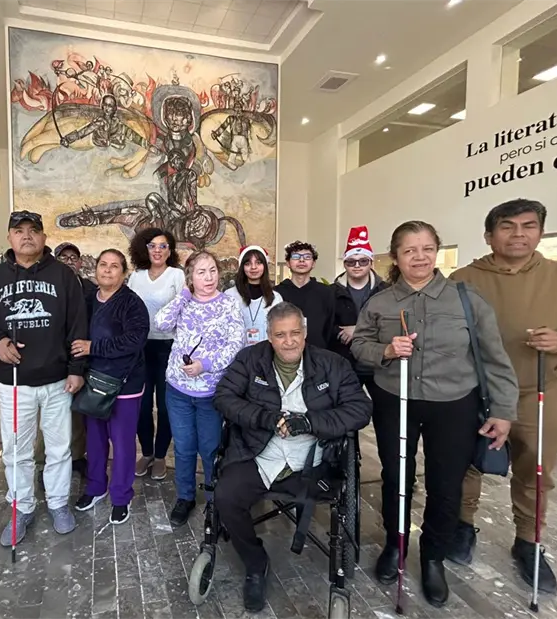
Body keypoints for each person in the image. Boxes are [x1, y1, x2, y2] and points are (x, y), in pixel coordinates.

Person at [351, 220, 519, 608]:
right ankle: (395, 544)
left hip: (454, 402)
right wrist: (387, 351)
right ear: (396, 257)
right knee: (396, 476)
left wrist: (505, 411)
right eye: (410, 250)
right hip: (396, 398)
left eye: (427, 248)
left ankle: (432, 557)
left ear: (437, 251)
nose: (419, 257)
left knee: (446, 483)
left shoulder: (466, 298)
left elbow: (495, 358)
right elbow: (359, 345)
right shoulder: (380, 302)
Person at [447, 199, 557, 594]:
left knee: (536, 472)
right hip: (476, 393)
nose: (519, 234)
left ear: (541, 232)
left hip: (538, 392)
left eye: (529, 226)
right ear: (489, 235)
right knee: (466, 466)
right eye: (508, 227)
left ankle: (528, 541)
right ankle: (462, 526)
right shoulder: (463, 279)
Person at [214, 302, 372, 612]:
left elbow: (360, 409)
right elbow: (224, 397)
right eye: (281, 335)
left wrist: (311, 422)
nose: (289, 341)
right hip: (261, 453)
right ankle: (256, 563)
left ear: (305, 333)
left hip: (314, 461)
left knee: (329, 489)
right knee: (225, 496)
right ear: (269, 337)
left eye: (295, 333)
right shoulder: (250, 360)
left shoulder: (333, 364)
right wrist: (265, 417)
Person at [0, 210, 87, 541]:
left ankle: (59, 503)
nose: (27, 236)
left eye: (34, 230)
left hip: (58, 380)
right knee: (17, 449)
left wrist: (76, 370)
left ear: (45, 238)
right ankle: (22, 506)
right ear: (9, 238)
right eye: (19, 231)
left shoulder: (64, 276)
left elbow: (78, 326)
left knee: (60, 448)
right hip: (15, 383)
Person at [154, 250, 244, 527]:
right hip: (178, 390)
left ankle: (215, 498)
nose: (209, 277)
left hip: (210, 394)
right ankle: (185, 497)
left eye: (213, 270)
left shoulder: (228, 304)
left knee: (210, 448)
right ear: (190, 276)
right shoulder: (184, 301)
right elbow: (160, 323)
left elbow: (236, 344)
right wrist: (183, 295)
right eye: (201, 272)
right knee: (183, 448)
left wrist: (205, 364)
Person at [72, 249, 149, 525]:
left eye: (114, 266)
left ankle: (121, 496)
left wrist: (95, 347)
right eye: (103, 265)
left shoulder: (131, 304)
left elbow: (134, 341)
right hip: (93, 382)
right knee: (94, 440)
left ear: (123, 272)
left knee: (123, 443)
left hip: (125, 384)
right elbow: (76, 334)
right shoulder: (87, 300)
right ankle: (95, 487)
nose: (107, 270)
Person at [127, 228, 184, 481]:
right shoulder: (136, 277)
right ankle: (147, 452)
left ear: (170, 251)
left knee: (164, 406)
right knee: (141, 407)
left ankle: (160, 456)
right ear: (144, 248)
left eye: (163, 246)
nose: (158, 250)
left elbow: (185, 309)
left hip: (168, 348)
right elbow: (126, 309)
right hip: (140, 348)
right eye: (152, 245)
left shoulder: (177, 275)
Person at [36, 241, 92, 477]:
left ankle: (77, 456)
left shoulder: (90, 288)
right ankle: (44, 461)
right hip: (53, 359)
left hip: (82, 358)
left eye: (73, 257)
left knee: (78, 413)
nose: (69, 261)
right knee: (48, 417)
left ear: (80, 262)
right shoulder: (45, 286)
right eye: (63, 257)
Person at [331, 226, 388, 388]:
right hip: (343, 363)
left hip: (376, 364)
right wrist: (339, 332)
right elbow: (326, 325)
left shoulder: (386, 291)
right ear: (344, 264)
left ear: (371, 262)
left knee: (382, 411)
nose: (357, 265)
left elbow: (390, 325)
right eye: (351, 261)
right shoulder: (331, 293)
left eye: (363, 261)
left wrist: (357, 330)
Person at [275, 241, 335, 349]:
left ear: (313, 263)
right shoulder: (276, 293)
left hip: (319, 354)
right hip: (285, 352)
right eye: (296, 257)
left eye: (307, 257)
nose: (301, 260)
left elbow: (329, 327)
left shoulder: (326, 292)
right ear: (288, 263)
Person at [224, 245, 283, 345]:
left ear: (265, 265)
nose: (253, 267)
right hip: (238, 356)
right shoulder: (230, 295)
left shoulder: (276, 298)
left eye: (258, 263)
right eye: (248, 263)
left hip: (266, 355)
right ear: (242, 267)